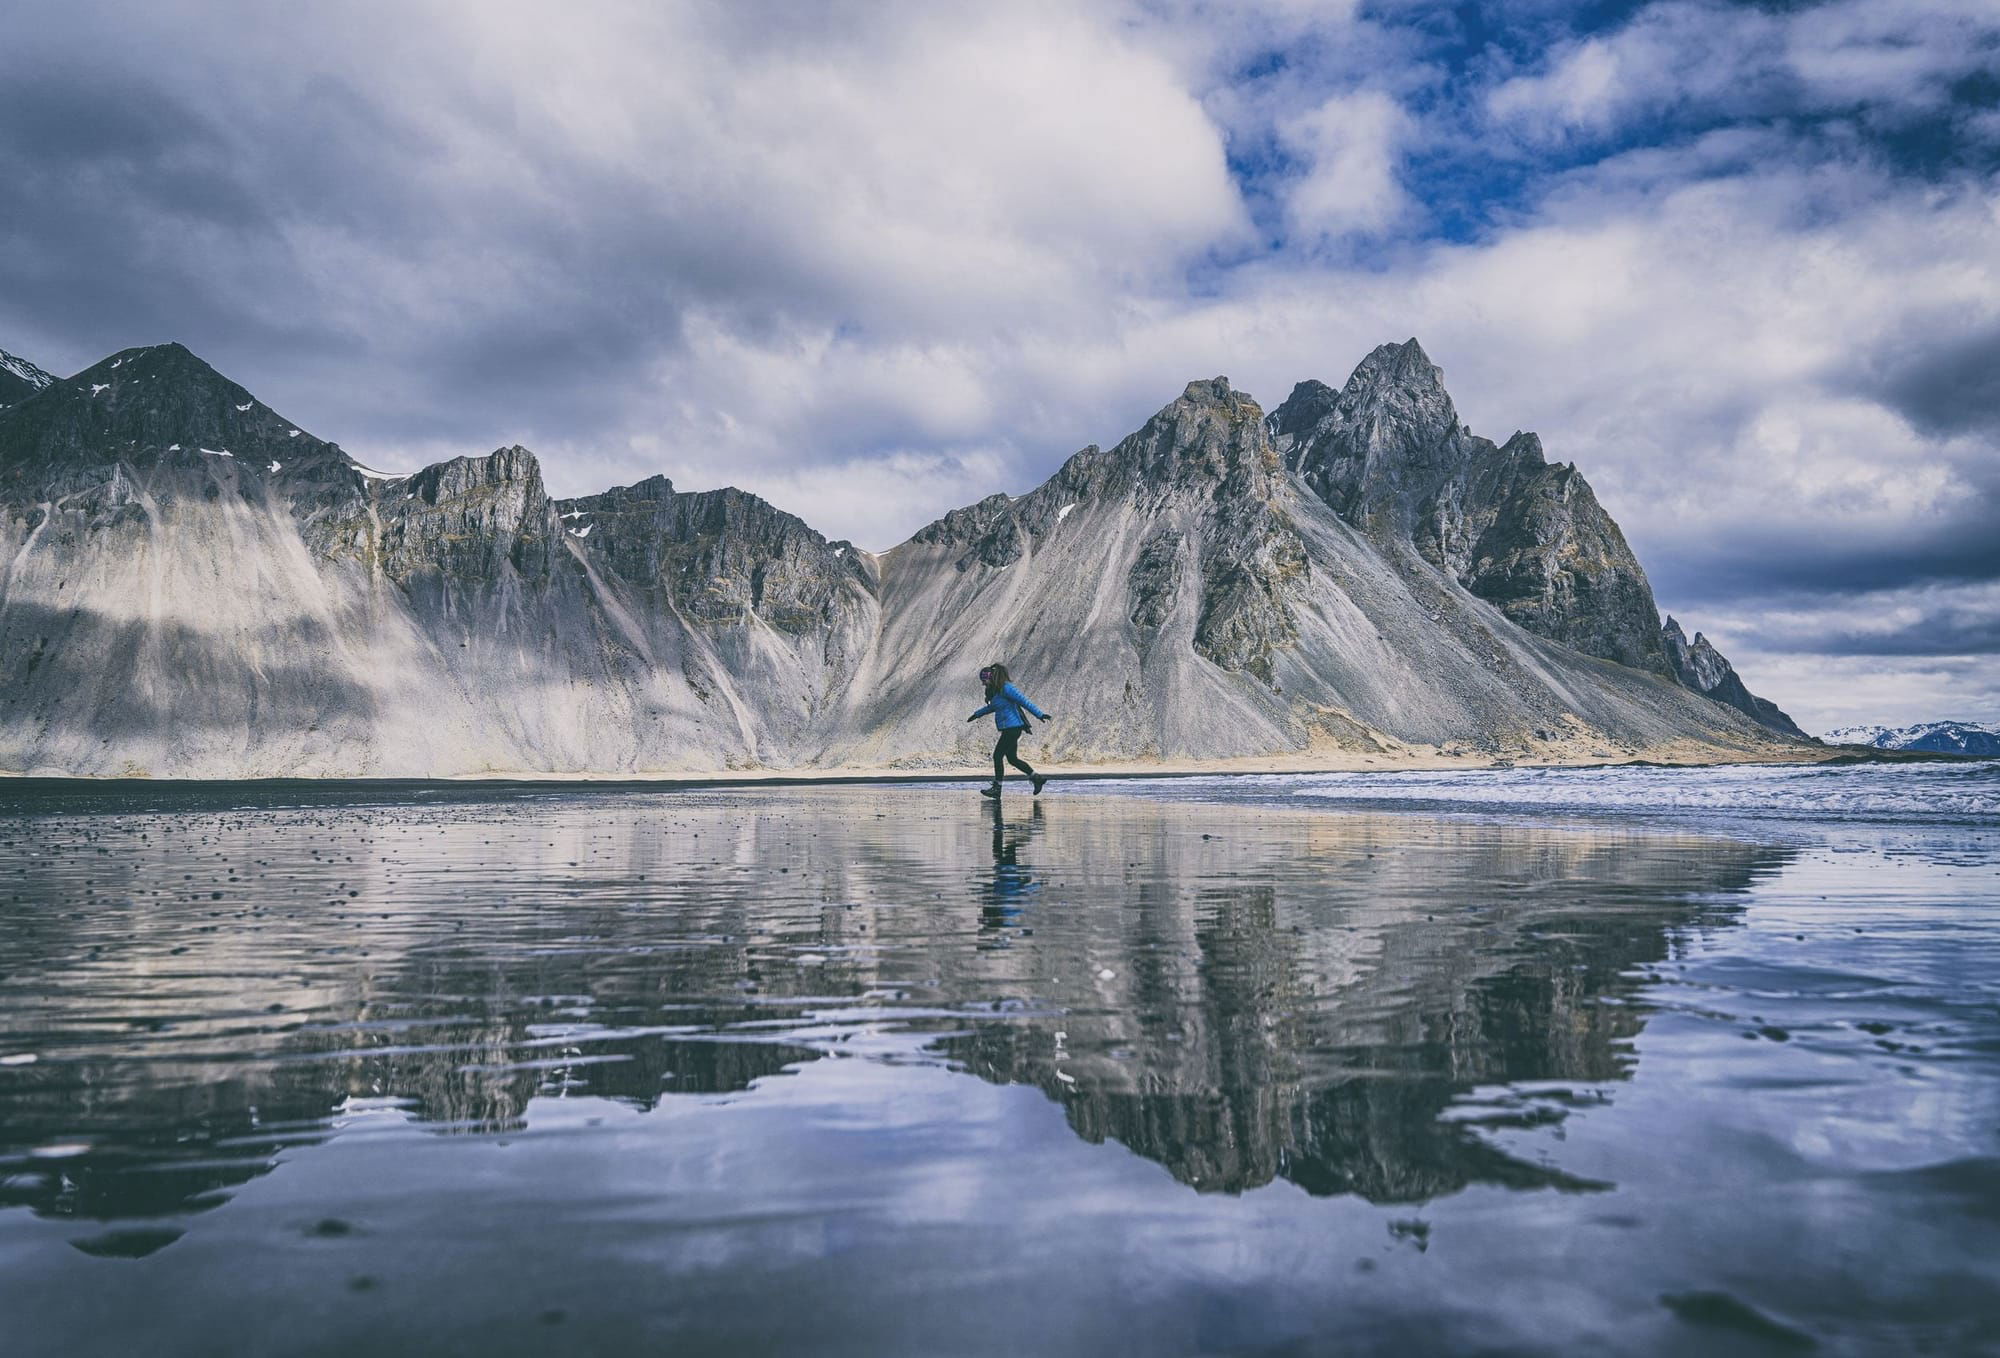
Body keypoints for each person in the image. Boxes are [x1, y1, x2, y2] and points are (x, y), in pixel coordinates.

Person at [966, 662, 1050, 798]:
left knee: (997, 756)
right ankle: (1037, 778)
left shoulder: (1006, 688)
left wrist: (1039, 714)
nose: (983, 683)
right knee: (1012, 759)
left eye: (984, 680)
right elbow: (993, 707)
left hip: (1013, 728)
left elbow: (1024, 701)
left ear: (991, 677)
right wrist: (977, 714)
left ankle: (997, 788)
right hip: (1008, 729)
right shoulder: (996, 691)